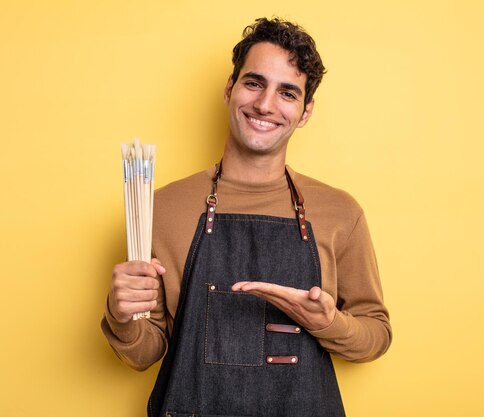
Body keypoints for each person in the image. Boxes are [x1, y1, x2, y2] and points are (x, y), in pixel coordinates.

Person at [102, 17, 392, 417]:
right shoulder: (160, 208)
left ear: (306, 112)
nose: (265, 104)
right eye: (254, 83)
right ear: (230, 88)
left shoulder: (340, 212)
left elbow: (375, 334)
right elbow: (142, 354)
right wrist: (121, 315)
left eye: (287, 93)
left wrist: (329, 323)